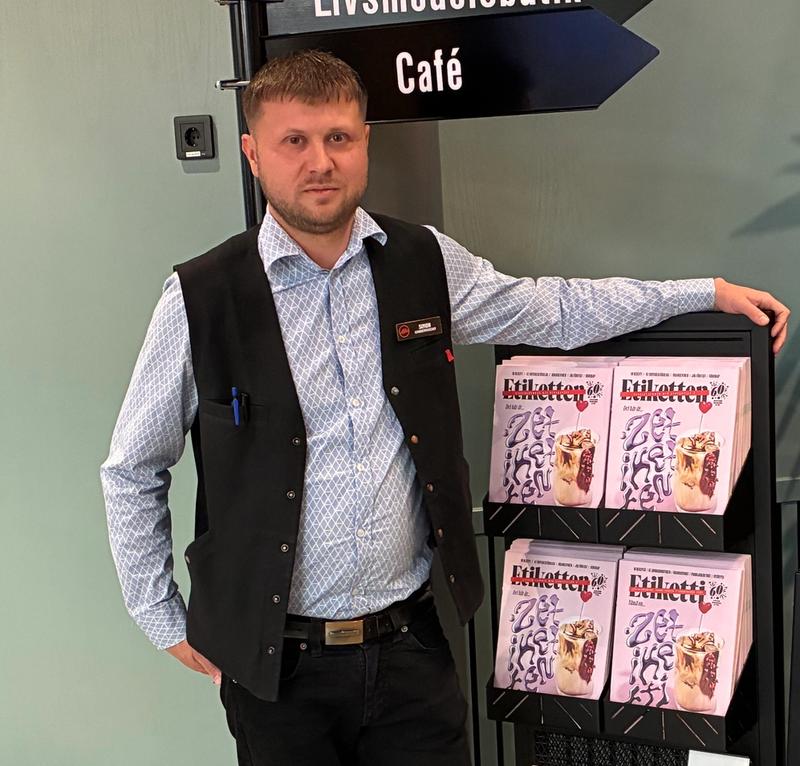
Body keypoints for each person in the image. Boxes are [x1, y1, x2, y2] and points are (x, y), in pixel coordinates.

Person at [100, 50, 790, 766]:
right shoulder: (200, 298)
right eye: (294, 141)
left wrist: (701, 293)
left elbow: (550, 308)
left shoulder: (421, 260)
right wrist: (161, 618)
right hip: (278, 673)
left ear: (365, 141)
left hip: (412, 653)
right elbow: (132, 469)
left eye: (338, 137)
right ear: (253, 153)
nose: (320, 162)